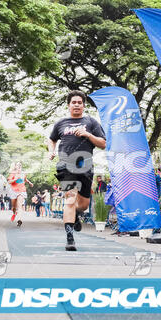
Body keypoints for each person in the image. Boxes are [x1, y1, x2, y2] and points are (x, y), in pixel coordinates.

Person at [48, 90, 106, 251]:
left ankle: (76, 215)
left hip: (85, 166)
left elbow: (103, 143)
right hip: (66, 165)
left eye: (79, 102)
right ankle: (70, 238)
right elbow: (52, 139)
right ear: (68, 105)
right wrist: (51, 150)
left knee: (83, 204)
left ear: (83, 105)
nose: (76, 105)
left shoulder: (91, 122)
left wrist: (87, 135)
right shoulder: (61, 123)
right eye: (74, 102)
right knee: (70, 199)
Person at [7, 161, 32, 227]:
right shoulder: (12, 173)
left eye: (20, 165)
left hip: (21, 191)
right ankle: (14, 213)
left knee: (19, 206)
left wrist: (29, 183)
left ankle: (19, 220)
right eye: (18, 165)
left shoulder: (23, 174)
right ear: (15, 167)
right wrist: (15, 179)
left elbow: (25, 179)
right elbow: (9, 181)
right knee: (13, 207)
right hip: (13, 191)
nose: (19, 167)